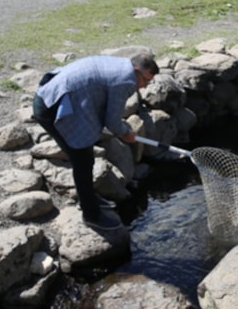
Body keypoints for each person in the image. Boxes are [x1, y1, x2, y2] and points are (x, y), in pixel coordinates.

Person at [32, 52, 159, 230]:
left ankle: (89, 197)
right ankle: (91, 215)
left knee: (84, 158)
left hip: (55, 97)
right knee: (82, 161)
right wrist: (126, 133)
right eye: (145, 80)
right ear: (137, 70)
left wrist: (122, 129)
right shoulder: (126, 80)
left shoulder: (122, 65)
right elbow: (112, 121)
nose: (144, 86)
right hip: (52, 107)